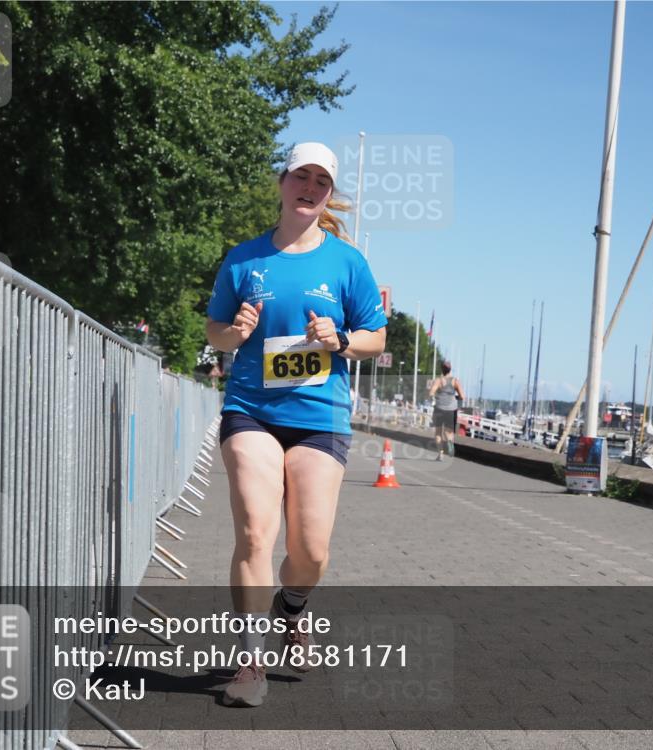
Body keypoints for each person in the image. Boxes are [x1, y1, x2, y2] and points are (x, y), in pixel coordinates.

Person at [205, 142, 387, 707]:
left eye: (322, 182)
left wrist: (343, 340)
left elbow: (377, 337)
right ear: (282, 182)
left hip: (319, 417)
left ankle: (293, 609)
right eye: (301, 177)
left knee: (310, 550)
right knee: (257, 533)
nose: (310, 188)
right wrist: (235, 333)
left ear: (328, 194)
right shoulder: (244, 259)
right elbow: (215, 334)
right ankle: (251, 662)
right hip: (252, 410)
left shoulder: (347, 262)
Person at [427, 361, 466, 460]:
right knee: (449, 432)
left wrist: (435, 397)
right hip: (451, 409)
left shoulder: (438, 381)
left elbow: (431, 393)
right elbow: (462, 396)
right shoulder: (455, 381)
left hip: (439, 408)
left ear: (442, 369)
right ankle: (449, 442)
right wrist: (454, 398)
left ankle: (440, 454)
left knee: (438, 432)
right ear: (450, 369)